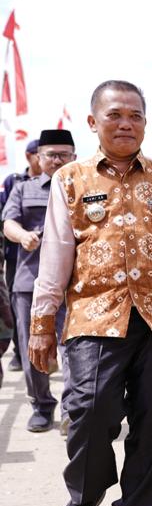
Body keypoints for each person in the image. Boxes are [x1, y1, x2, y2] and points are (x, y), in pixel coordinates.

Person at [30, 80, 152, 506]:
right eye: (114, 115)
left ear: (145, 124)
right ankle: (84, 497)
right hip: (92, 314)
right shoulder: (70, 179)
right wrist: (42, 322)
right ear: (93, 122)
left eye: (135, 115)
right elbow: (56, 254)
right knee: (88, 409)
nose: (126, 123)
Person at [2, 129, 76, 433]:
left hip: (74, 284)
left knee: (74, 348)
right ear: (38, 157)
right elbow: (8, 222)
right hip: (30, 281)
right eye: (51, 155)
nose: (57, 160)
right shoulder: (23, 189)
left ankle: (74, 409)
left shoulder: (82, 186)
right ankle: (42, 406)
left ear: (73, 156)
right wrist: (23, 237)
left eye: (63, 154)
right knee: (33, 346)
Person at [0, 138, 42, 374]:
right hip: (16, 255)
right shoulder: (14, 181)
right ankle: (19, 352)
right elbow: (6, 217)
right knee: (18, 307)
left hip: (43, 256)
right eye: (39, 154)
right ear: (29, 156)